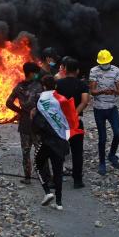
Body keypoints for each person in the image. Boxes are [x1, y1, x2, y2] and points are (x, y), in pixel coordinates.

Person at [32, 75, 81, 210]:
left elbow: (38, 122)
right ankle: (59, 203)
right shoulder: (61, 99)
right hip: (61, 140)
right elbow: (68, 117)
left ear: (43, 86)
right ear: (55, 86)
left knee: (37, 165)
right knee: (58, 171)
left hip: (47, 141)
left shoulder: (40, 99)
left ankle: (47, 192)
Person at [54, 57, 90, 189]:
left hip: (61, 122)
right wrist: (74, 113)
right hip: (76, 122)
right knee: (77, 151)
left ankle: (56, 179)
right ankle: (77, 180)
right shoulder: (82, 84)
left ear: (65, 69)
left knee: (58, 151)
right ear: (78, 70)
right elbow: (85, 101)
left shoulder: (59, 84)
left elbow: (54, 101)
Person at [5, 62, 43, 183]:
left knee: (25, 152)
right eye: (36, 73)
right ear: (31, 73)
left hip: (25, 123)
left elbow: (8, 103)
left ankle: (27, 178)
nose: (37, 75)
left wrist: (20, 111)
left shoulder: (19, 87)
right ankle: (45, 177)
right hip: (37, 122)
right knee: (41, 151)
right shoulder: (39, 86)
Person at [89, 49, 119, 175]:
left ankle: (112, 155)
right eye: (103, 63)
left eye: (106, 63)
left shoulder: (116, 70)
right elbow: (92, 91)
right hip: (99, 108)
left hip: (112, 107)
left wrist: (114, 91)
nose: (105, 65)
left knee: (118, 133)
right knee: (102, 138)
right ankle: (102, 163)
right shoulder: (93, 71)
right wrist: (103, 91)